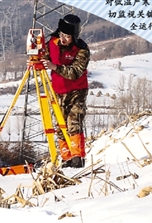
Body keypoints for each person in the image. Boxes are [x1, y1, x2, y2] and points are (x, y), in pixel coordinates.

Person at [39, 14, 90, 168]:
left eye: (67, 36)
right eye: (62, 35)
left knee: (74, 122)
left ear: (73, 36)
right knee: (60, 127)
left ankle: (77, 157)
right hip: (58, 92)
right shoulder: (52, 43)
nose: (63, 39)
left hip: (77, 91)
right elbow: (45, 56)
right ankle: (67, 157)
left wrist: (55, 67)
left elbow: (75, 72)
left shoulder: (81, 50)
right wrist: (37, 58)